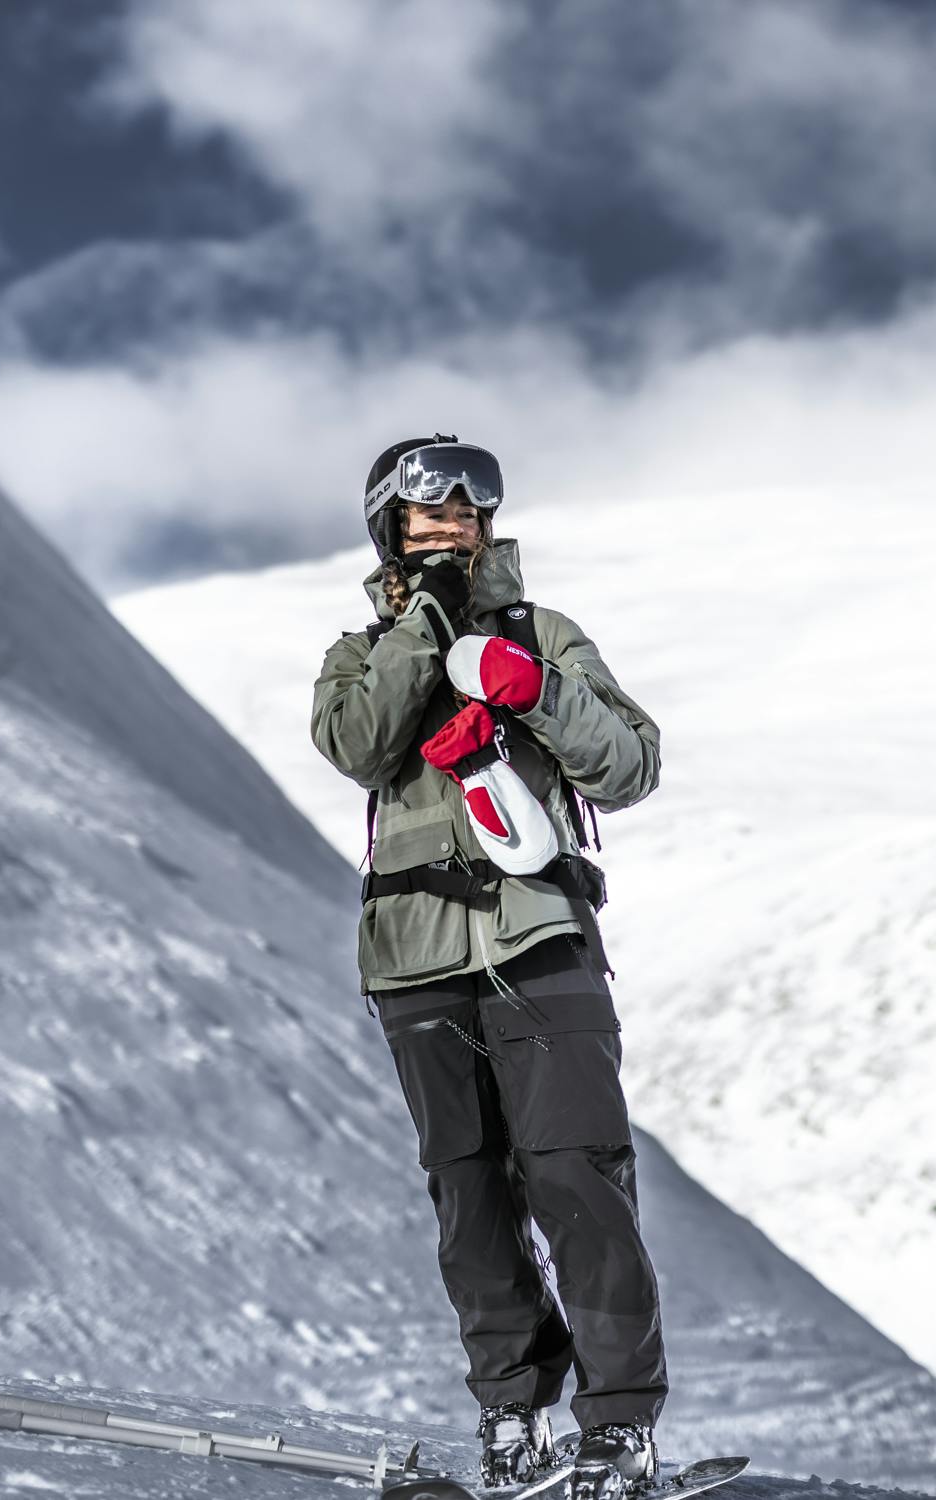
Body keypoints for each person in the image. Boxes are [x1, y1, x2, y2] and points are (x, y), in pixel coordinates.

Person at [311, 436, 668, 1498]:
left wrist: (531, 694)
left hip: (542, 942)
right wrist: (423, 630)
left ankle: (617, 1428)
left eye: (467, 512)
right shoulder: (356, 655)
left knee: (574, 1176)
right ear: (390, 529)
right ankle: (511, 1415)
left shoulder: (546, 638)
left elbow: (632, 763)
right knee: (468, 1196)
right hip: (414, 962)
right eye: (426, 517)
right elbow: (359, 745)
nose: (451, 526)